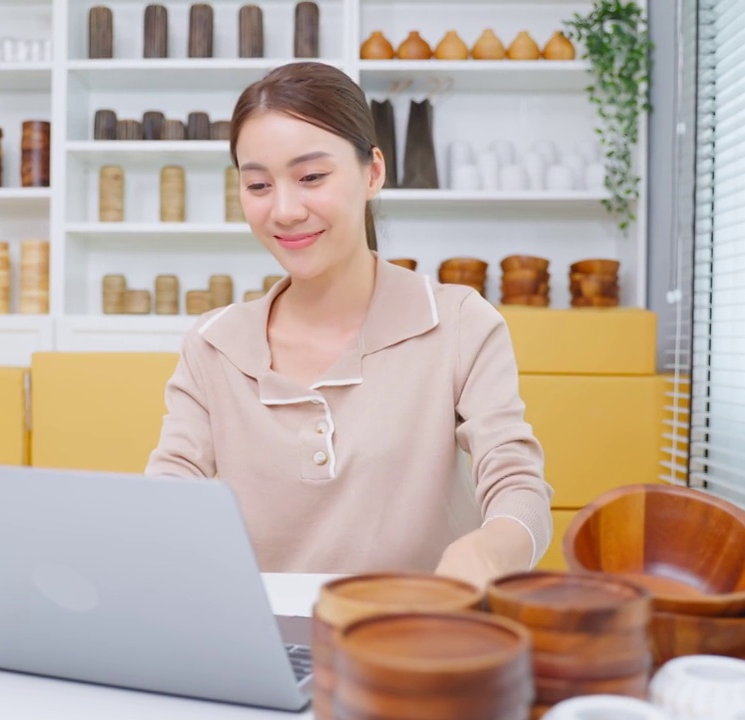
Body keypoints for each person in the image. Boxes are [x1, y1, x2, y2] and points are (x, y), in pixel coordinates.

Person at [145, 61, 552, 589]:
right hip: (261, 648)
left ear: (373, 172)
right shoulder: (213, 345)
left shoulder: (458, 323)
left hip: (412, 637)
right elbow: (172, 487)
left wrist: (490, 551)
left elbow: (517, 483)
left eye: (311, 177)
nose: (285, 210)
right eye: (259, 184)